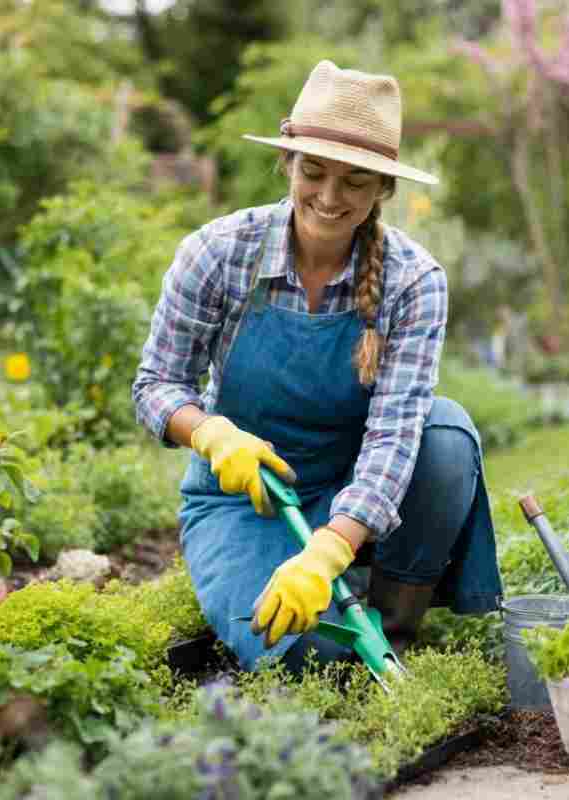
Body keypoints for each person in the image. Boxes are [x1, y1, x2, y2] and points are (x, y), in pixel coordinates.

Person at [132, 60, 503, 672]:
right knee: (307, 654)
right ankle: (340, 633)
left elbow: (393, 436)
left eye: (356, 182)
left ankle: (393, 621)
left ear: (383, 188)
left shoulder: (413, 282)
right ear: (287, 163)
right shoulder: (218, 253)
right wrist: (209, 431)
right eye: (314, 172)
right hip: (242, 502)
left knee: (445, 434)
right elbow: (155, 384)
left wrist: (331, 546)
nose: (330, 198)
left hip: (352, 488)